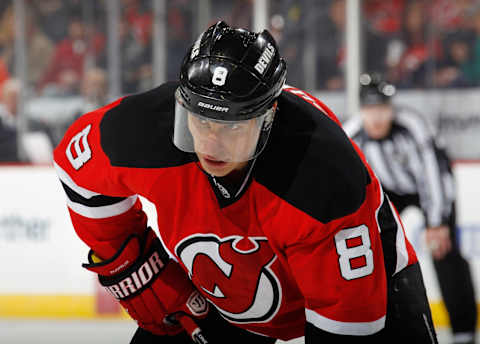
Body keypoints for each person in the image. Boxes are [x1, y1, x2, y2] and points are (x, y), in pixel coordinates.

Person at [53, 21, 438, 343]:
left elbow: (350, 324)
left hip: (370, 285)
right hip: (228, 294)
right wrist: (133, 260)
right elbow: (76, 164)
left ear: (268, 116)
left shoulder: (320, 174)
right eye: (201, 121)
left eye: (230, 126)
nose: (210, 143)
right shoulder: (146, 128)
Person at [344, 72, 477, 344]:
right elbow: (350, 188)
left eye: (383, 108)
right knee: (376, 258)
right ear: (361, 109)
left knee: (444, 253)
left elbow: (433, 176)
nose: (378, 117)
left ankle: (463, 331)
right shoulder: (351, 136)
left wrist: (437, 222)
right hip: (389, 193)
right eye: (371, 109)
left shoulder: (413, 126)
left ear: (391, 108)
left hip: (430, 190)